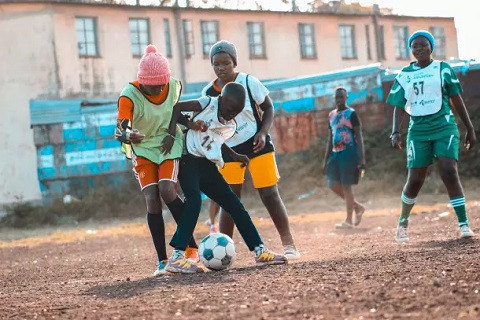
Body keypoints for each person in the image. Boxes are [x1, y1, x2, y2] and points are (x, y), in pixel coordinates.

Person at [161, 82, 288, 274]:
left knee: (233, 203)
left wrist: (235, 156)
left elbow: (216, 140)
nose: (229, 115)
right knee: (193, 201)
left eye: (234, 113)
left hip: (205, 163)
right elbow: (176, 107)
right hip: (187, 158)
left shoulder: (230, 124)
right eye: (228, 109)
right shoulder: (207, 103)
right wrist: (175, 132)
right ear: (221, 99)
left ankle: (259, 251)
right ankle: (177, 257)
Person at [202, 40, 300, 259]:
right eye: (216, 64)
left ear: (234, 62)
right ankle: (225, 251)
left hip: (258, 145)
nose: (221, 67)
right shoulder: (208, 92)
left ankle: (289, 244)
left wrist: (263, 133)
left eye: (226, 62)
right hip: (229, 151)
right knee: (230, 200)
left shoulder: (248, 81)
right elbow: (210, 126)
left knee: (269, 194)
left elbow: (268, 107)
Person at [115, 44, 198, 276]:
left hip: (167, 143)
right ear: (142, 82)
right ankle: (162, 261)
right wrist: (129, 134)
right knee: (152, 199)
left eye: (162, 84)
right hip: (141, 148)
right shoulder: (128, 96)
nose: (158, 89)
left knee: (167, 190)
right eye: (152, 86)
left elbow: (175, 112)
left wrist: (173, 134)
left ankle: (190, 248)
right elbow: (119, 130)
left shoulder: (174, 86)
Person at [387, 30, 476, 243]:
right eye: (414, 46)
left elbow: (456, 99)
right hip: (418, 131)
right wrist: (395, 131)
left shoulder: (442, 69)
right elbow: (399, 106)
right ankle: (402, 223)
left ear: (431, 47)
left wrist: (469, 128)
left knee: (448, 170)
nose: (419, 49)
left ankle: (464, 225)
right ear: (411, 50)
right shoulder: (404, 75)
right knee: (415, 179)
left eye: (423, 45)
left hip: (444, 127)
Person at [323, 87, 366, 229]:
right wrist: (326, 159)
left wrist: (362, 159)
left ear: (346, 97)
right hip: (336, 153)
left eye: (341, 97)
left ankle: (348, 221)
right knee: (332, 184)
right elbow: (330, 138)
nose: (339, 100)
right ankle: (357, 207)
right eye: (337, 97)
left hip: (349, 152)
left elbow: (359, 137)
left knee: (346, 186)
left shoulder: (351, 114)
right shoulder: (331, 115)